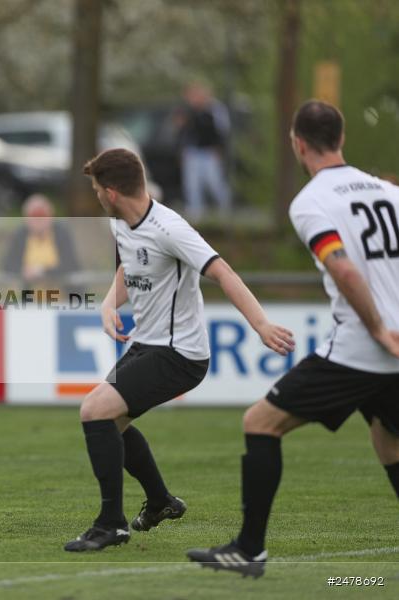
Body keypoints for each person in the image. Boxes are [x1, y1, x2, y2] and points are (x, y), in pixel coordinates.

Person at [188, 100, 399, 577]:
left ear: (297, 143)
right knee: (388, 439)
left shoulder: (311, 201)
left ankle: (249, 549)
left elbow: (343, 268)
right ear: (342, 139)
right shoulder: (390, 193)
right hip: (394, 349)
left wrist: (378, 329)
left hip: (363, 348)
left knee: (261, 422)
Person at [64, 148, 294, 553]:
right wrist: (107, 304)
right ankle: (160, 502)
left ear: (113, 192)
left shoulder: (171, 228)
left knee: (94, 410)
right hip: (147, 344)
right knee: (109, 425)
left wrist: (260, 325)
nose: (97, 196)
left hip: (180, 354)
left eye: (98, 189)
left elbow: (222, 272)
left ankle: (111, 524)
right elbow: (129, 267)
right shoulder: (124, 225)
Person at [2, 194, 80, 296]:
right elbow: (7, 266)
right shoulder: (20, 235)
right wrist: (23, 271)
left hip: (61, 298)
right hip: (28, 299)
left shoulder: (62, 234)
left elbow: (71, 265)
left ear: (51, 216)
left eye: (42, 214)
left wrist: (43, 272)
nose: (38, 220)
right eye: (34, 215)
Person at [177, 82, 231, 220]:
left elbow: (222, 131)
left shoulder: (214, 109)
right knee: (192, 184)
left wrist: (219, 148)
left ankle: (225, 209)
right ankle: (195, 213)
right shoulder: (187, 110)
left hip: (209, 152)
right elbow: (182, 131)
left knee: (214, 182)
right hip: (192, 151)